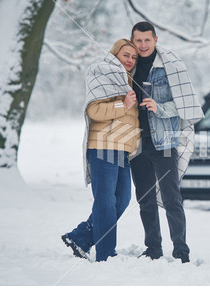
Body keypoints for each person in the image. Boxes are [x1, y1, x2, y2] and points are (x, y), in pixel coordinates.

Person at [129, 21, 204, 263]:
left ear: (155, 40)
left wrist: (158, 107)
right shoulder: (127, 67)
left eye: (147, 40)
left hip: (163, 142)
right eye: (138, 40)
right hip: (137, 144)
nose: (142, 45)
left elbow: (184, 105)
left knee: (172, 198)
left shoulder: (169, 67)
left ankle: (181, 251)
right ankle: (153, 249)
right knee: (145, 199)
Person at [61, 39, 140, 262]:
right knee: (105, 200)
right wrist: (121, 105)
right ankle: (106, 254)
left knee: (123, 199)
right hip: (103, 145)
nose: (130, 60)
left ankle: (80, 237)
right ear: (115, 53)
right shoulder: (102, 72)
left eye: (133, 57)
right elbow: (94, 110)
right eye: (126, 55)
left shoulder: (129, 80)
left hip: (122, 148)